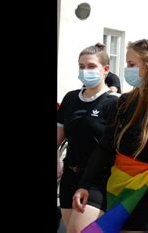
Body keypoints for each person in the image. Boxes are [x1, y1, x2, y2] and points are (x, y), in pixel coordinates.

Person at [72, 39, 148, 232]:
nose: (126, 69)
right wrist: (84, 185)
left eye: (131, 64)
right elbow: (105, 147)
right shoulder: (124, 102)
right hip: (121, 187)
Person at [57, 43, 119, 232]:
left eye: (91, 66)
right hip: (70, 175)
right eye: (81, 66)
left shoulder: (114, 102)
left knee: (78, 230)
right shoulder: (71, 98)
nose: (85, 71)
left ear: (105, 70)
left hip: (99, 178)